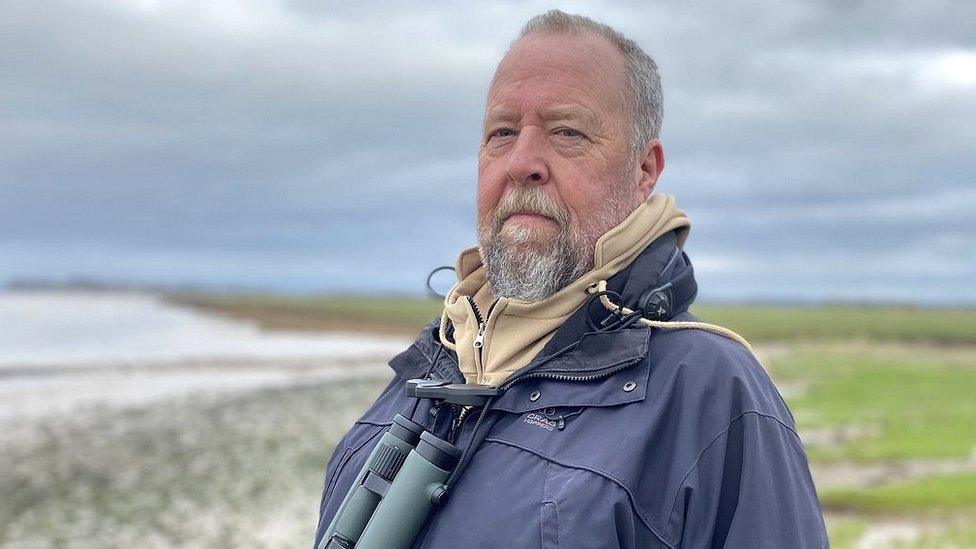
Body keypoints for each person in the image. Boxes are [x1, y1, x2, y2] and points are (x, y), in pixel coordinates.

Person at [314, 10, 827, 549]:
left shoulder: (711, 395)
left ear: (643, 170)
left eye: (566, 133)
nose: (522, 162)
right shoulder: (430, 367)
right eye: (502, 132)